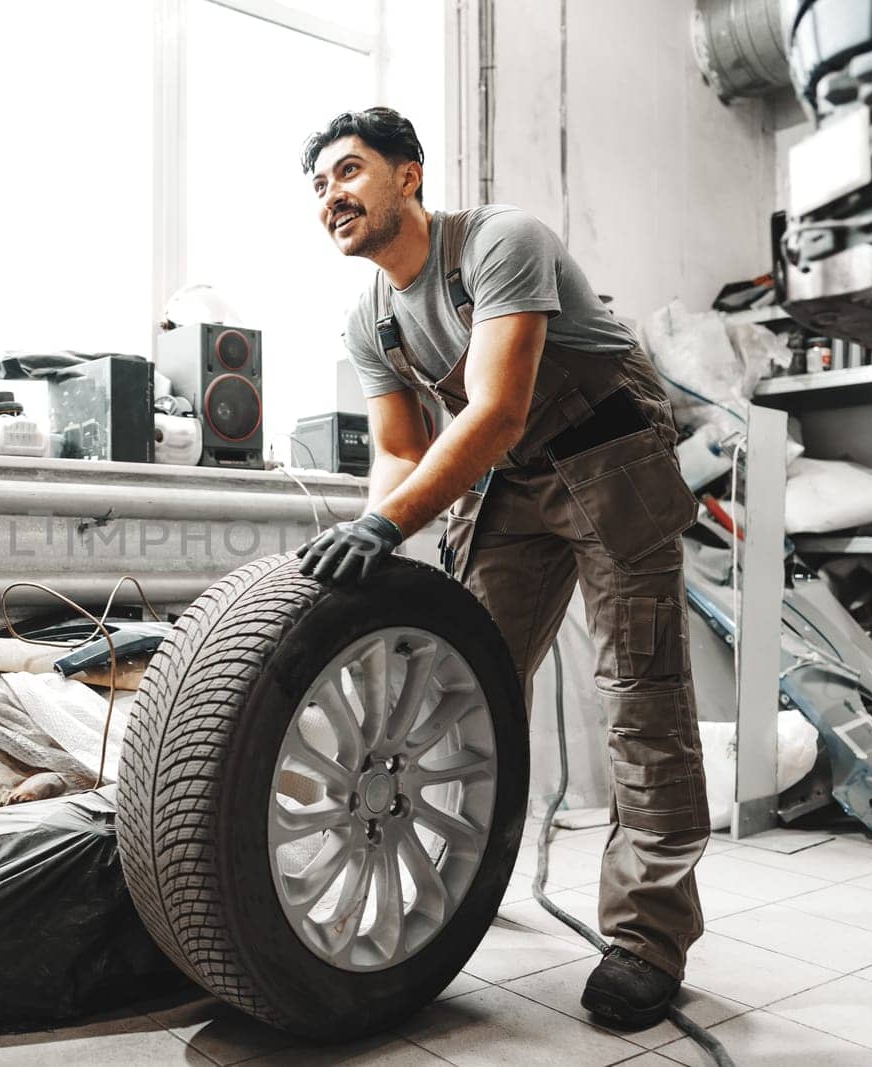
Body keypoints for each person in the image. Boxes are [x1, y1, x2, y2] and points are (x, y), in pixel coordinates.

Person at [295, 107, 709, 1030]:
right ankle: (450, 890)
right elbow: (402, 451)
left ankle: (647, 936)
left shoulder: (501, 241)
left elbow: (495, 411)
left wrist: (389, 521)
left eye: (350, 172)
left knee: (640, 693)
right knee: (460, 689)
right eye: (319, 186)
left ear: (409, 176)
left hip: (610, 454)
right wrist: (374, 526)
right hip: (512, 483)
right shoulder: (373, 320)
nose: (333, 197)